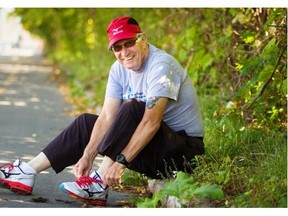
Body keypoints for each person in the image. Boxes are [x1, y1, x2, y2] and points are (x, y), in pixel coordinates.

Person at [0, 16, 205, 206]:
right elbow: (107, 117)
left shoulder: (161, 65)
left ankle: (99, 183)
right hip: (151, 149)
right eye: (117, 47)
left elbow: (151, 123)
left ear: (143, 39)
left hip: (183, 153)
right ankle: (26, 172)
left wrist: (120, 162)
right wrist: (88, 155)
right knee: (87, 123)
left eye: (129, 43)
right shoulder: (118, 69)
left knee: (132, 108)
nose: (124, 53)